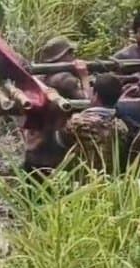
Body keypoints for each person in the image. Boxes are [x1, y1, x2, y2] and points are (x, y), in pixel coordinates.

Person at [22, 37, 84, 179]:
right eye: (71, 53)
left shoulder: (39, 78)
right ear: (63, 56)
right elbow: (89, 104)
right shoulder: (65, 80)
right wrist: (84, 77)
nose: (73, 57)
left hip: (36, 147)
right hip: (56, 150)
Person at [62, 69, 128, 173]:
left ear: (96, 95)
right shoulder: (121, 127)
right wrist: (84, 77)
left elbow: (60, 138)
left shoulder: (78, 122)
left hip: (81, 177)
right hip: (109, 176)